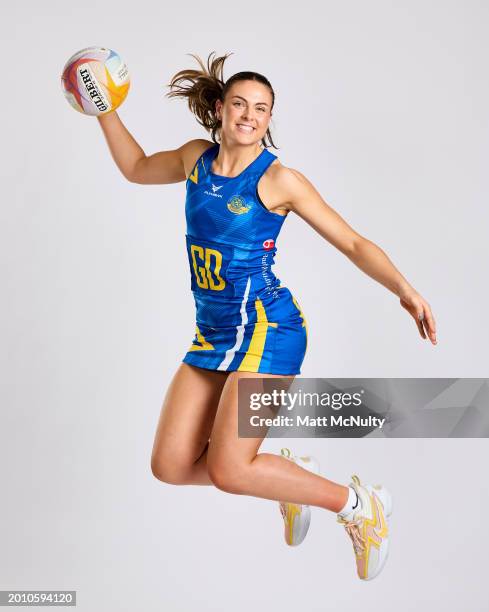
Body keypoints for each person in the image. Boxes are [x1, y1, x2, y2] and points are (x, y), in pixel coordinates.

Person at [96, 52, 437, 580]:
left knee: (231, 471)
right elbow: (136, 168)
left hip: (270, 330)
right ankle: (287, 475)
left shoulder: (279, 181)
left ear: (269, 119)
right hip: (214, 334)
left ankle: (355, 504)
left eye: (261, 108)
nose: (250, 116)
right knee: (170, 465)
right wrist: (103, 109)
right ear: (219, 109)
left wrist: (405, 289)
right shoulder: (194, 160)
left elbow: (350, 240)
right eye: (239, 104)